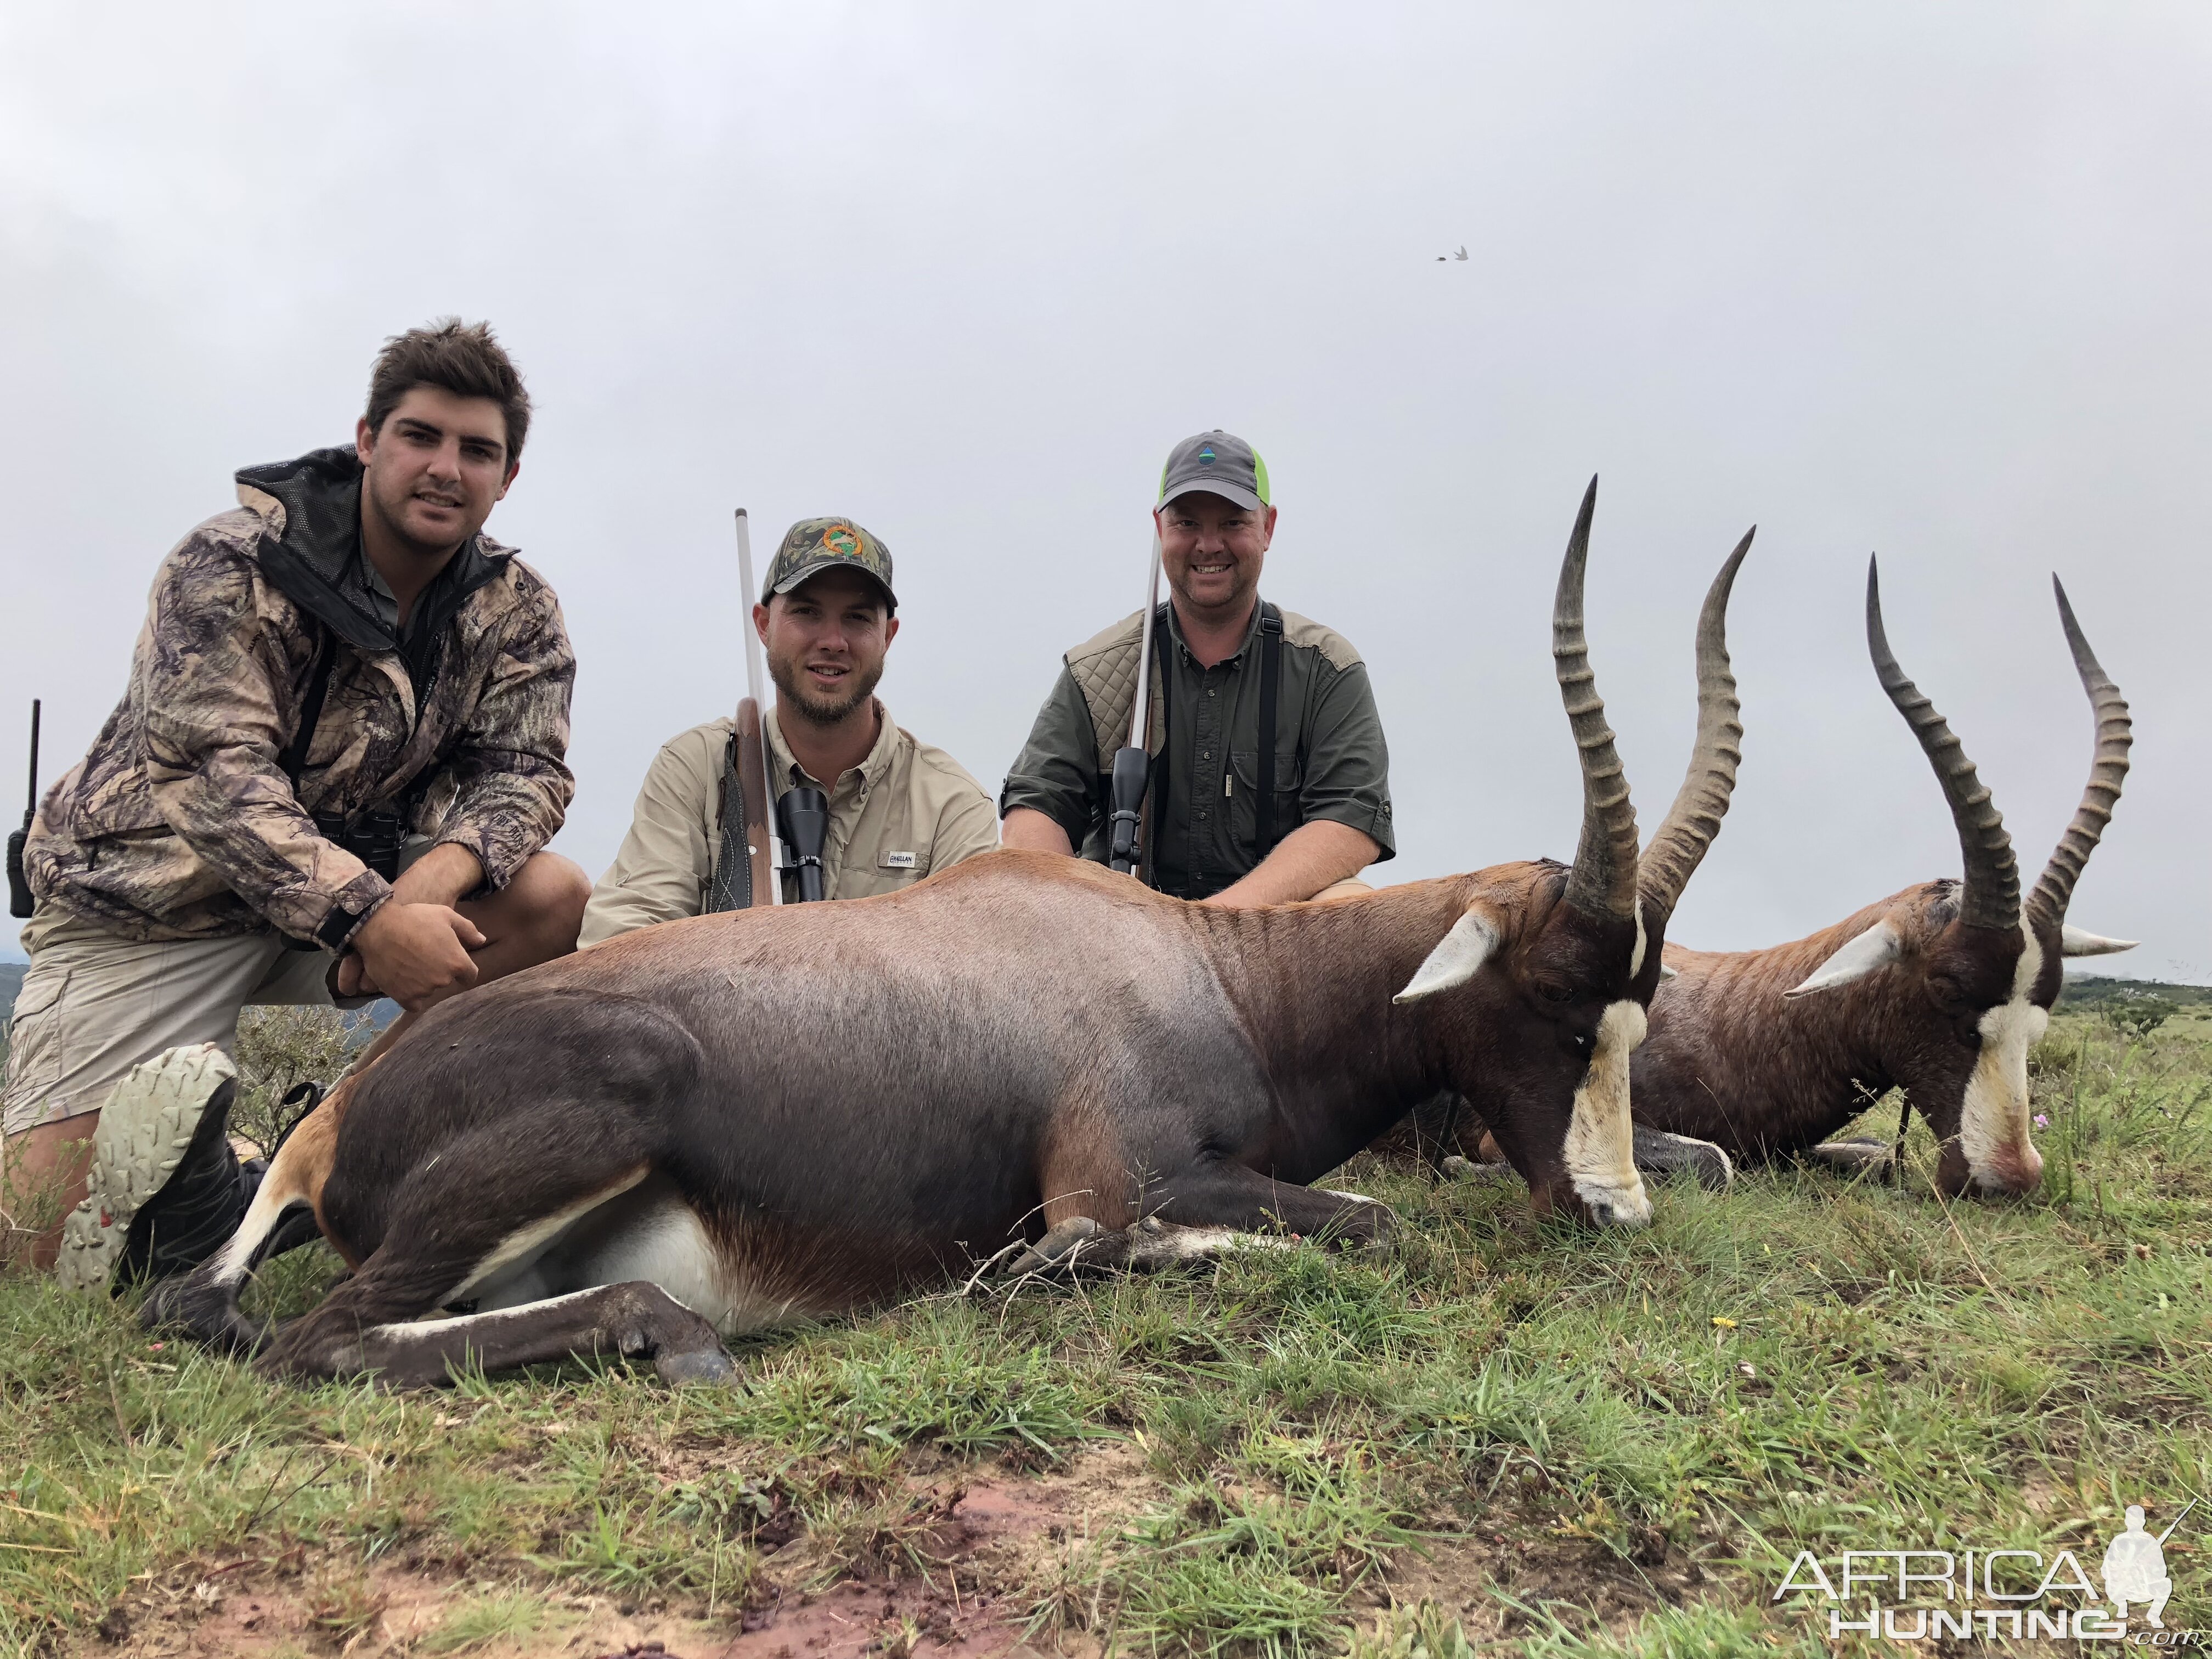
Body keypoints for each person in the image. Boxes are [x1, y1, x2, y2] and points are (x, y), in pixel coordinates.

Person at [2, 319, 590, 1292]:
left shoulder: (516, 606)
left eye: (477, 450)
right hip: (149, 908)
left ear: (507, 476)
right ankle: (222, 1168)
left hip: (348, 911)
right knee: (38, 1249)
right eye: (420, 437)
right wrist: (371, 914)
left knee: (549, 899)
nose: (445, 468)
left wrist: (422, 889)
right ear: (366, 440)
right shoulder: (231, 561)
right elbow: (215, 775)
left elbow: (526, 770)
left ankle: (326, 1150)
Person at [1000, 430, 1392, 903]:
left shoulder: (1326, 669)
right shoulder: (1095, 671)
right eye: (1187, 523)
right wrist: (1070, 910)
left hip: (1271, 928)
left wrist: (1215, 924)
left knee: (1352, 905)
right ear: (1160, 527)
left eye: (1232, 523)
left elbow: (1349, 820)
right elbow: (1036, 804)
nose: (1209, 545)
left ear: (1267, 528)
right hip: (1126, 930)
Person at [580, 517, 997, 940]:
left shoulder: (953, 806)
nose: (834, 640)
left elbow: (980, 970)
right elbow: (622, 936)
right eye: (807, 612)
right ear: (763, 625)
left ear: (888, 636)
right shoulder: (695, 768)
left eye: (857, 618)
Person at [2102, 1506, 2174, 1627]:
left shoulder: (2150, 1541)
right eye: (2131, 1520)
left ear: (2143, 1522)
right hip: (2121, 1588)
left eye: (2137, 1520)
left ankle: (2154, 1615)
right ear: (2126, 1522)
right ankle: (2122, 1606)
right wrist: (2121, 1572)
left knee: (2166, 1584)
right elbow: (2106, 1568)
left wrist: (2146, 1568)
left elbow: (2162, 1570)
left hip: (2144, 1588)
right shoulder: (2119, 1541)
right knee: (2112, 1586)